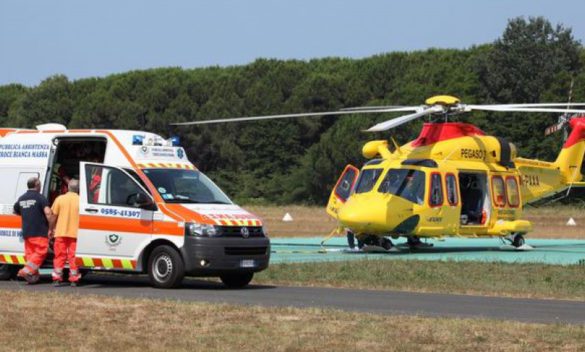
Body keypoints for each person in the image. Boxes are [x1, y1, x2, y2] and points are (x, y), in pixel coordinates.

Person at [13, 177, 53, 284]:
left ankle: (32, 277)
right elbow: (48, 213)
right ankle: (26, 271)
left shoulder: (21, 198)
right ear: (37, 186)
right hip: (39, 231)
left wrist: (27, 214)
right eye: (39, 185)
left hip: (27, 231)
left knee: (31, 255)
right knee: (41, 251)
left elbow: (15, 210)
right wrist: (51, 227)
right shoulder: (40, 198)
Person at [50, 179, 81, 286]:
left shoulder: (60, 199)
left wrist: (50, 229)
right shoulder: (81, 200)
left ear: (68, 187)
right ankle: (74, 278)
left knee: (59, 256)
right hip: (75, 234)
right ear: (78, 189)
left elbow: (53, 216)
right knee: (73, 257)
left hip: (61, 232)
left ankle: (57, 278)